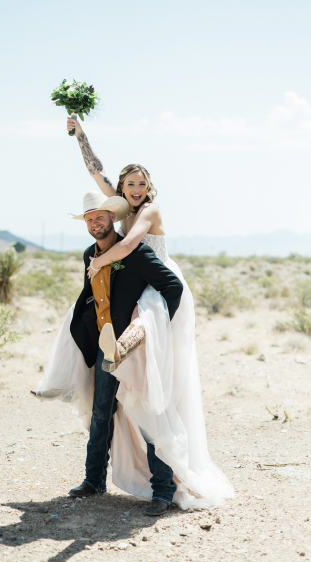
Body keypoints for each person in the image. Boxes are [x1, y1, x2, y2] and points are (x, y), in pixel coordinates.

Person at [57, 117, 235, 510]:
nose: (136, 190)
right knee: (106, 403)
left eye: (141, 184)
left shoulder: (148, 214)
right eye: (129, 185)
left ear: (149, 188)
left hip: (160, 289)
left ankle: (164, 488)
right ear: (122, 191)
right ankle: (94, 479)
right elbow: (97, 171)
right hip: (136, 295)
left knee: (154, 394)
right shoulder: (118, 210)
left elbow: (129, 249)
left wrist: (100, 263)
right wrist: (80, 135)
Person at [34, 190, 184, 516]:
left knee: (147, 416)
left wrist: (155, 328)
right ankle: (93, 480)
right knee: (101, 413)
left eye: (99, 216)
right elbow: (91, 297)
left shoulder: (138, 254)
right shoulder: (89, 253)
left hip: (134, 351)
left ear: (112, 218)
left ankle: (163, 490)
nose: (95, 223)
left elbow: (172, 287)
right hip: (105, 350)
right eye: (89, 219)